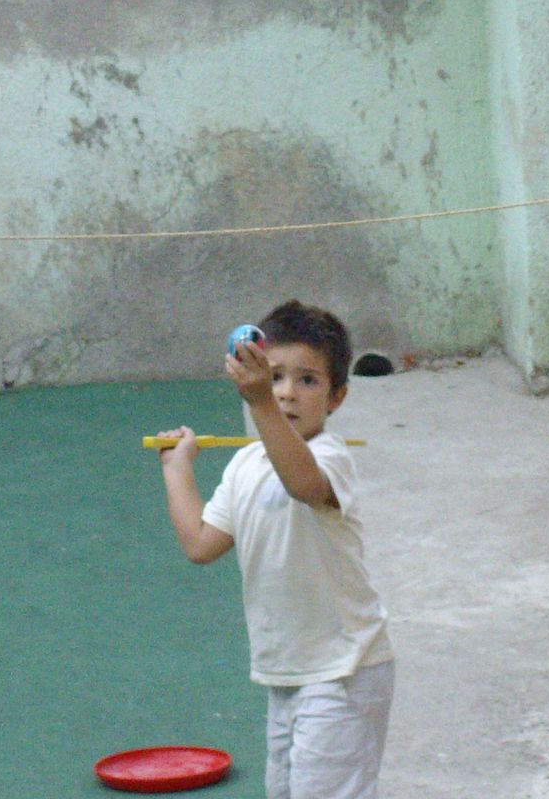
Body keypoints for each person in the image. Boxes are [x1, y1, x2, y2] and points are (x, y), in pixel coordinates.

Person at [156, 299, 394, 799]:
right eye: (276, 376)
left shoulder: (331, 458)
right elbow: (201, 544)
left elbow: (303, 485)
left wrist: (260, 402)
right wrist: (176, 470)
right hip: (286, 674)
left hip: (344, 670)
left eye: (307, 381)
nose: (287, 393)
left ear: (337, 397)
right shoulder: (245, 465)